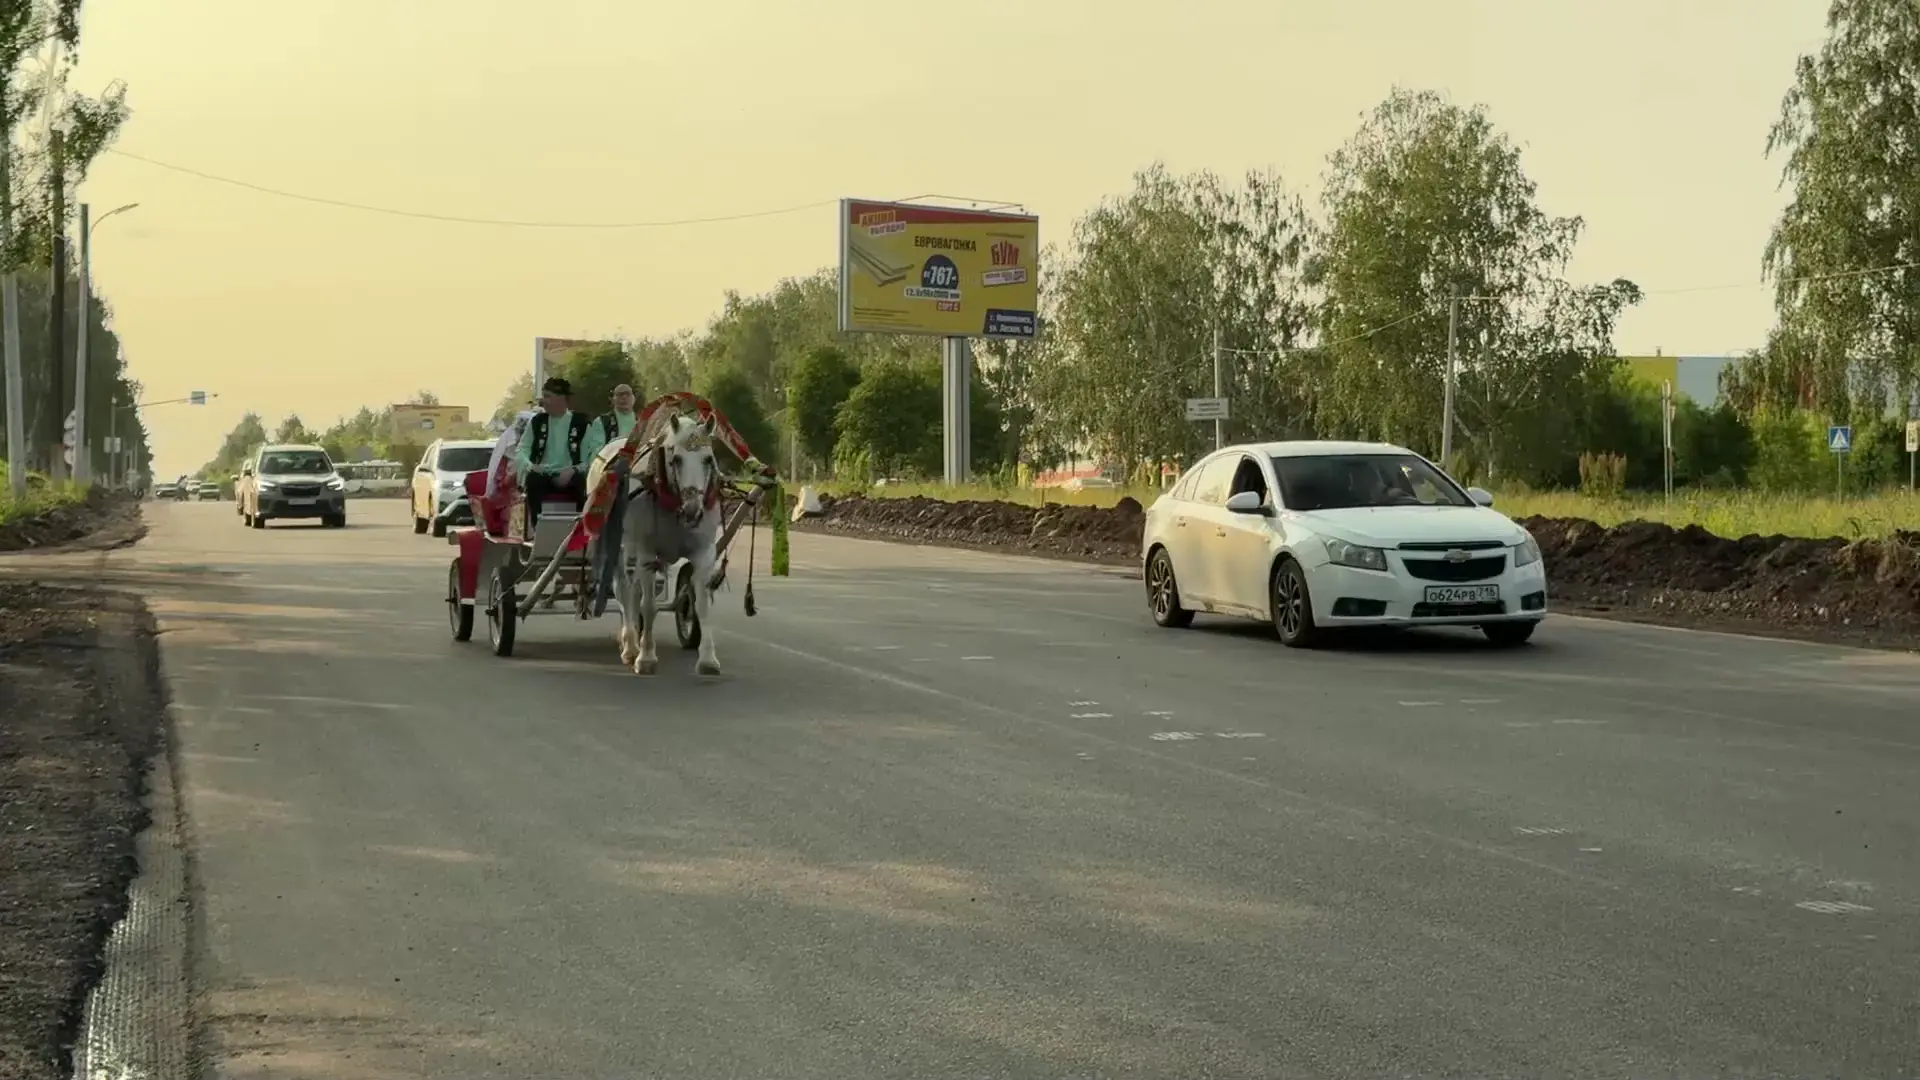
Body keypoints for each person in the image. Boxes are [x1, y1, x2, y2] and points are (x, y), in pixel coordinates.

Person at [511, 376, 593, 530]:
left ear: (561, 398)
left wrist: (572, 470)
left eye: (548, 396)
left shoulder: (581, 424)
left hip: (571, 474)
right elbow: (522, 450)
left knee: (583, 483)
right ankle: (537, 530)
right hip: (543, 473)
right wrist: (531, 466)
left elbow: (589, 458)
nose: (543, 401)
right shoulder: (537, 422)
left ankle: (582, 531)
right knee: (533, 480)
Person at [582, 383, 640, 462]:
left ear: (634, 398)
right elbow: (596, 452)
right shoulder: (602, 422)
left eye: (627, 394)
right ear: (613, 400)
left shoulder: (641, 421)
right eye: (620, 394)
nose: (624, 397)